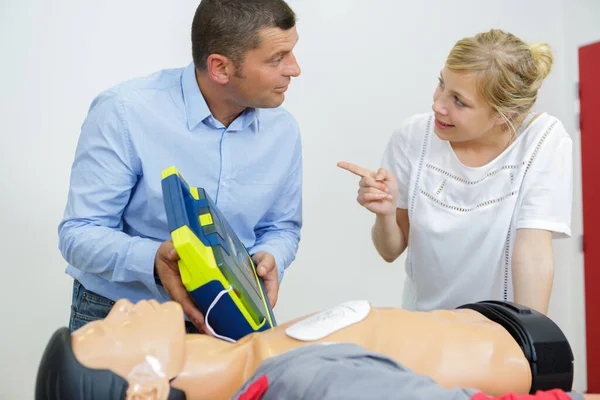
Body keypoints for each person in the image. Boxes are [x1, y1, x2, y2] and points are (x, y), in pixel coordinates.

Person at [58, 0, 303, 335]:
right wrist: (154, 261)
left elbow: (282, 227)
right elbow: (79, 233)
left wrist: (272, 255)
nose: (294, 69)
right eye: (277, 58)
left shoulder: (283, 130)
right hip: (122, 317)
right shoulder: (125, 112)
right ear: (220, 68)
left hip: (232, 322)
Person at [338, 29, 572, 315]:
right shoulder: (412, 136)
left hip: (501, 329)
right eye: (441, 84)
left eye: (458, 101)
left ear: (503, 114)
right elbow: (389, 251)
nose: (438, 105)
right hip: (424, 324)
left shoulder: (542, 139)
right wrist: (385, 214)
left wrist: (529, 343)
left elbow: (533, 254)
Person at [35, 298, 575, 400]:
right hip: (527, 362)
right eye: (106, 332)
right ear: (145, 390)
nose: (119, 308)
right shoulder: (306, 383)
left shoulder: (250, 352)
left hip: (493, 322)